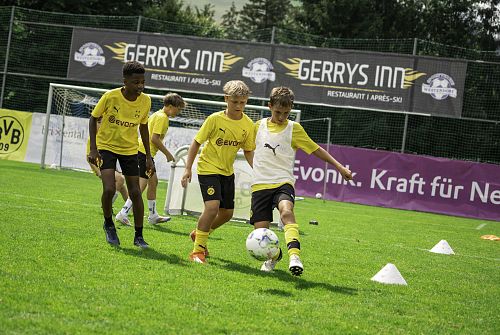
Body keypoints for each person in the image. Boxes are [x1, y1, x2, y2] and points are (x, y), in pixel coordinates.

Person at [250, 87, 352, 276]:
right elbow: (245, 146)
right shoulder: (257, 126)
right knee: (261, 235)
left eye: (286, 113)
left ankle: (294, 256)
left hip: (283, 181)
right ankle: (274, 256)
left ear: (291, 110)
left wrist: (339, 167)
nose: (281, 117)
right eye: (277, 112)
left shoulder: (294, 129)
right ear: (269, 106)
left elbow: (316, 149)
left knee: (286, 211)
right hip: (259, 185)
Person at [181, 80, 255, 264]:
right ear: (226, 99)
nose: (238, 106)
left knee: (227, 213)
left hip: (227, 172)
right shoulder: (214, 119)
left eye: (242, 102)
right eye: (235, 102)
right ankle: (197, 251)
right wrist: (187, 168)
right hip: (208, 168)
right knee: (212, 208)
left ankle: (198, 234)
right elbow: (196, 142)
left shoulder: (248, 124)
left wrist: (259, 170)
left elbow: (248, 150)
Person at [88, 60, 154, 249]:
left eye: (142, 82)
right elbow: (93, 119)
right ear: (125, 80)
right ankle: (109, 224)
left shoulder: (146, 100)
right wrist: (93, 148)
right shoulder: (110, 96)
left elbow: (143, 127)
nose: (140, 86)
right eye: (136, 82)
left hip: (129, 150)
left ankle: (139, 236)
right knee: (109, 189)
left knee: (135, 192)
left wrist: (148, 157)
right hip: (106, 147)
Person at [116, 92, 186, 225]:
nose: (179, 111)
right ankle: (123, 213)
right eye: (178, 108)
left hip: (142, 152)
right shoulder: (162, 117)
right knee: (141, 185)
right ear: (170, 106)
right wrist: (168, 154)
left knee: (153, 182)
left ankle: (153, 215)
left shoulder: (158, 114)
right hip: (143, 153)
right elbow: (154, 139)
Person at [86, 117, 129, 219]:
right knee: (120, 179)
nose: (100, 125)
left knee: (122, 186)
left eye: (102, 122)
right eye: (99, 122)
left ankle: (131, 207)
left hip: (109, 166)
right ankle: (107, 205)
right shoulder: (92, 138)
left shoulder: (107, 137)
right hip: (100, 167)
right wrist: (98, 172)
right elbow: (88, 157)